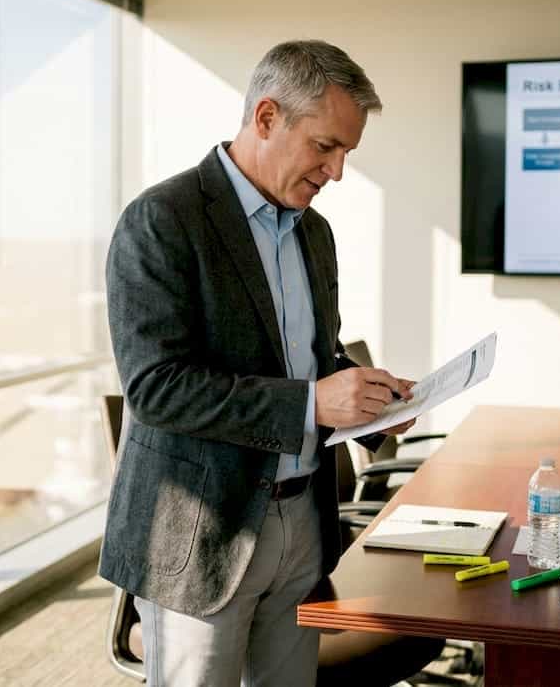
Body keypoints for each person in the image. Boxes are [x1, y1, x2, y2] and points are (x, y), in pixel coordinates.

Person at [100, 39, 416, 687]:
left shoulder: (313, 231)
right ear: (267, 118)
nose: (336, 172)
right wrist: (311, 404)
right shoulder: (162, 221)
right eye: (325, 147)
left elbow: (308, 358)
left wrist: (372, 402)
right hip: (203, 532)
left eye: (347, 153)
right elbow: (156, 388)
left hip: (303, 521)